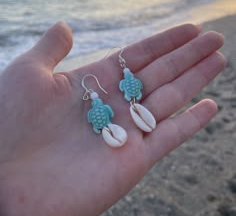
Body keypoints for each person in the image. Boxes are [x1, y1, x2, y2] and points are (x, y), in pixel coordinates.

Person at [0, 22, 225, 216]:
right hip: (118, 113)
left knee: (128, 116)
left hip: (122, 107)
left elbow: (106, 112)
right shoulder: (102, 106)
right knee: (126, 118)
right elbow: (105, 113)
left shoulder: (109, 99)